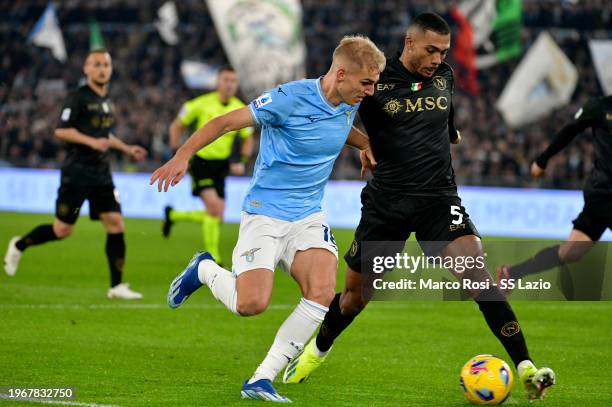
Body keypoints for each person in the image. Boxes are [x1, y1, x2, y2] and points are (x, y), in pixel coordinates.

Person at [283, 13, 555, 401]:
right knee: (356, 298)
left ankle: (526, 366)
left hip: (439, 200)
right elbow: (333, 119)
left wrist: (447, 136)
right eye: (430, 50)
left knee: (476, 276)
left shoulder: (444, 75)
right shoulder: (374, 80)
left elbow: (448, 125)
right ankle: (316, 350)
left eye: (443, 51)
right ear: (409, 44)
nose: (437, 58)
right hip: (386, 205)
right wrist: (364, 143)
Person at [150, 35, 385, 402]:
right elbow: (224, 123)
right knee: (251, 305)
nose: (371, 92)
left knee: (321, 293)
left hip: (308, 216)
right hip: (264, 213)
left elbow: (339, 129)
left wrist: (366, 144)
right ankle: (204, 270)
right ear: (341, 74)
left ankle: (261, 379)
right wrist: (183, 156)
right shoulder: (288, 98)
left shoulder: (349, 101)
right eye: (366, 83)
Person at [3, 49, 147, 300]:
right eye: (97, 64)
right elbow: (62, 130)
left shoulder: (107, 100)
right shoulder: (77, 97)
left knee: (115, 223)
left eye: (106, 64)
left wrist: (125, 148)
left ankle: (116, 286)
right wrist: (91, 142)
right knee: (62, 230)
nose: (102, 69)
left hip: (102, 174)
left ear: (111, 69)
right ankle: (19, 245)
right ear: (86, 69)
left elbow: (105, 136)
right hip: (77, 173)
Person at [497, 95, 612, 296]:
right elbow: (569, 130)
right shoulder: (601, 106)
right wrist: (542, 160)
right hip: (603, 193)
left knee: (571, 253)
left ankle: (512, 273)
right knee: (572, 252)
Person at [163, 66, 254, 263]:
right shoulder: (201, 104)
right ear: (218, 82)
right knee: (213, 208)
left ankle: (174, 215)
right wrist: (177, 154)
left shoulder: (240, 108)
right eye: (225, 80)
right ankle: (213, 257)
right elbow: (176, 125)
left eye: (233, 81)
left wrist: (243, 161)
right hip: (201, 162)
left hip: (221, 166)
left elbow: (248, 137)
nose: (229, 85)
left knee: (217, 215)